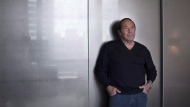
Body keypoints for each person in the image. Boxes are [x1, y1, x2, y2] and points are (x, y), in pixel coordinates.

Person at [96, 18, 157, 107]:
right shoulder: (109, 48)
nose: (130, 31)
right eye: (126, 28)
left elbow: (152, 70)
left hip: (139, 96)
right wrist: (108, 87)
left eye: (132, 28)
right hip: (118, 97)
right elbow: (100, 69)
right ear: (119, 32)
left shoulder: (143, 50)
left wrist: (149, 85)